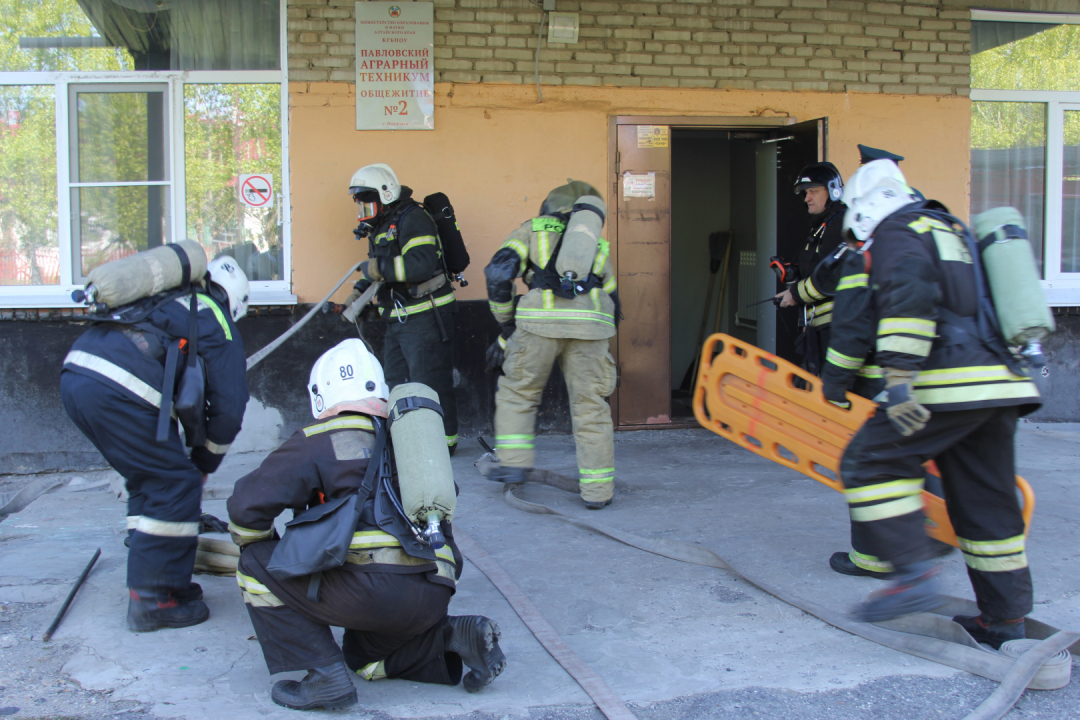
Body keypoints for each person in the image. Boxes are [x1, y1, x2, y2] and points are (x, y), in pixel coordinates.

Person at [822, 160, 1041, 644]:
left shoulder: (898, 232)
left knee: (870, 463)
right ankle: (1004, 620)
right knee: (986, 501)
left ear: (865, 207)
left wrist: (898, 381)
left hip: (948, 382)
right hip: (1000, 385)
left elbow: (909, 294)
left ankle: (912, 576)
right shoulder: (950, 226)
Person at [227, 339, 505, 711]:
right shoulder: (412, 440)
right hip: (434, 588)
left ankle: (324, 678)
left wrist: (265, 548)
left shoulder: (317, 439)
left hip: (368, 591)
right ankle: (451, 636)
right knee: (366, 660)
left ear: (320, 395)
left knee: (253, 565)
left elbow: (245, 508)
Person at [61, 255, 250, 632]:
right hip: (116, 389)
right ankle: (152, 600)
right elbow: (229, 409)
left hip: (76, 376)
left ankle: (155, 564)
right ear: (234, 300)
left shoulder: (165, 301)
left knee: (148, 475)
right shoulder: (214, 316)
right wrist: (203, 465)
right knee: (174, 483)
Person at [483, 181, 619, 509]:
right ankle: (598, 492)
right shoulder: (596, 245)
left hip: (538, 324)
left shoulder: (530, 230)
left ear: (548, 206)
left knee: (518, 394)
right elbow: (614, 296)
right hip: (592, 328)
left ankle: (514, 468)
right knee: (591, 408)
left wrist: (506, 324)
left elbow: (499, 274)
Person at [344, 163, 460, 455]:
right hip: (397, 316)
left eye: (367, 203)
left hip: (425, 314)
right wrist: (356, 296)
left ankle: (443, 444)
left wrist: (378, 267)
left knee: (428, 380)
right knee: (394, 379)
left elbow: (420, 264)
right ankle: (407, 437)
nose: (363, 211)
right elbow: (375, 271)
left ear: (385, 193)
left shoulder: (414, 219)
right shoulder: (382, 225)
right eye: (360, 205)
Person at [775, 162, 849, 379]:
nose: (807, 198)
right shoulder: (821, 226)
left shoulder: (840, 224)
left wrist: (796, 294)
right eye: (806, 193)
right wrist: (792, 276)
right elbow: (813, 269)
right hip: (819, 327)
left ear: (833, 190)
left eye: (814, 191)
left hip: (836, 329)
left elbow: (830, 277)